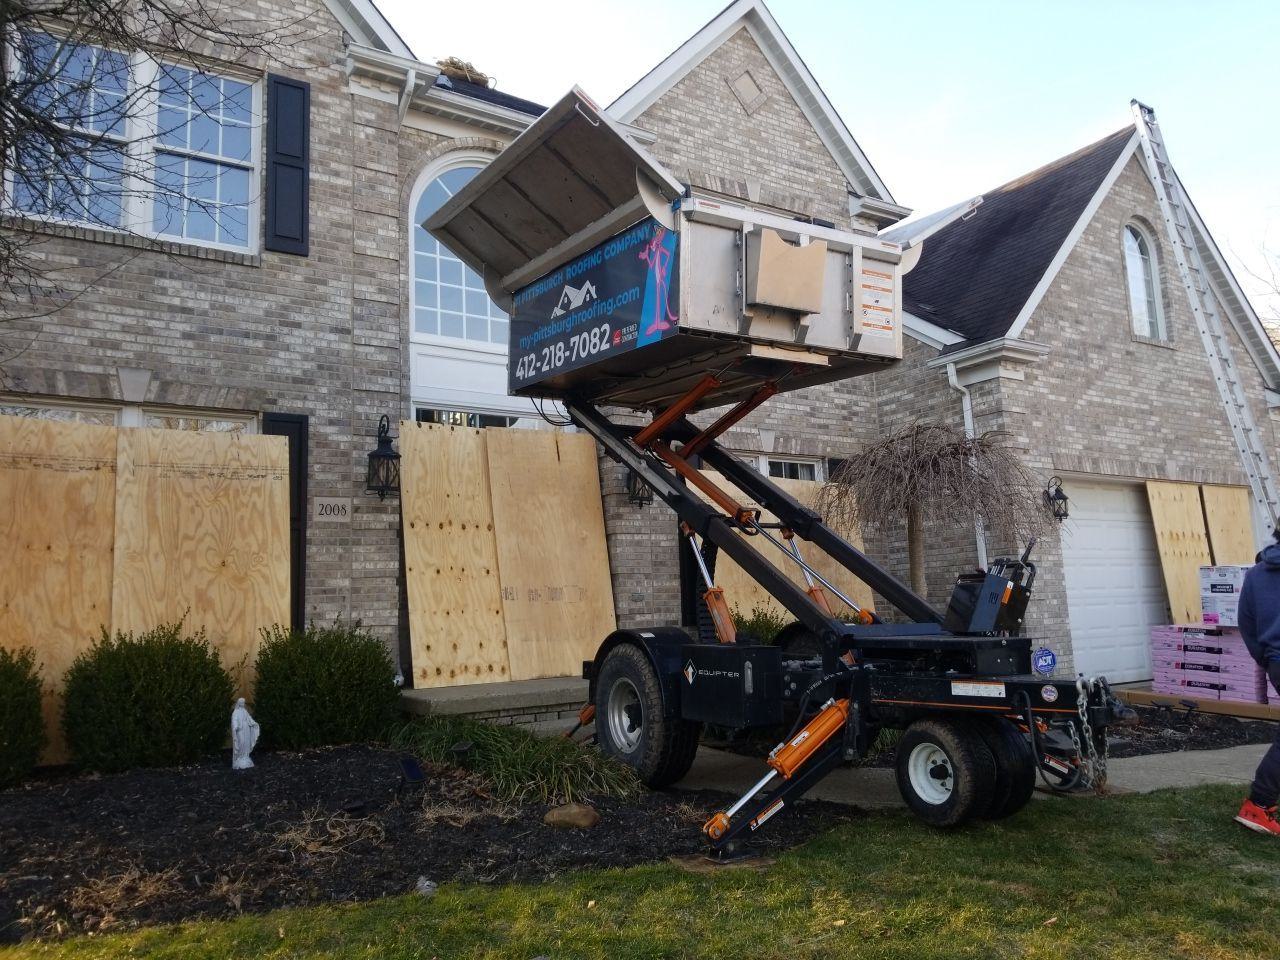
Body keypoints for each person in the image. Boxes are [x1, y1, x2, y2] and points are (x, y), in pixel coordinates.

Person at [1235, 528, 1280, 835]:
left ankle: (1259, 803)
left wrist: (1268, 659)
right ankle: (1258, 804)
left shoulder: (1255, 576)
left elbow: (1247, 625)